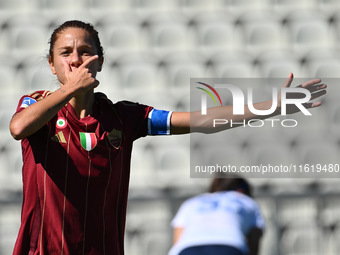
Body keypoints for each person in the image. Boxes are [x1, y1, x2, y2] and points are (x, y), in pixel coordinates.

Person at [9, 20, 326, 255]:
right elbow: (18, 128)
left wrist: (271, 107)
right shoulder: (36, 106)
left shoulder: (124, 118)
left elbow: (201, 120)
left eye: (85, 51)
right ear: (52, 64)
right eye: (65, 53)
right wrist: (69, 90)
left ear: (100, 61)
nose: (76, 59)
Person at [168, 175, 264, 255]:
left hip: (188, 249)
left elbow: (177, 241)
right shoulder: (247, 201)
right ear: (241, 191)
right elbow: (254, 243)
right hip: (229, 247)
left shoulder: (192, 202)